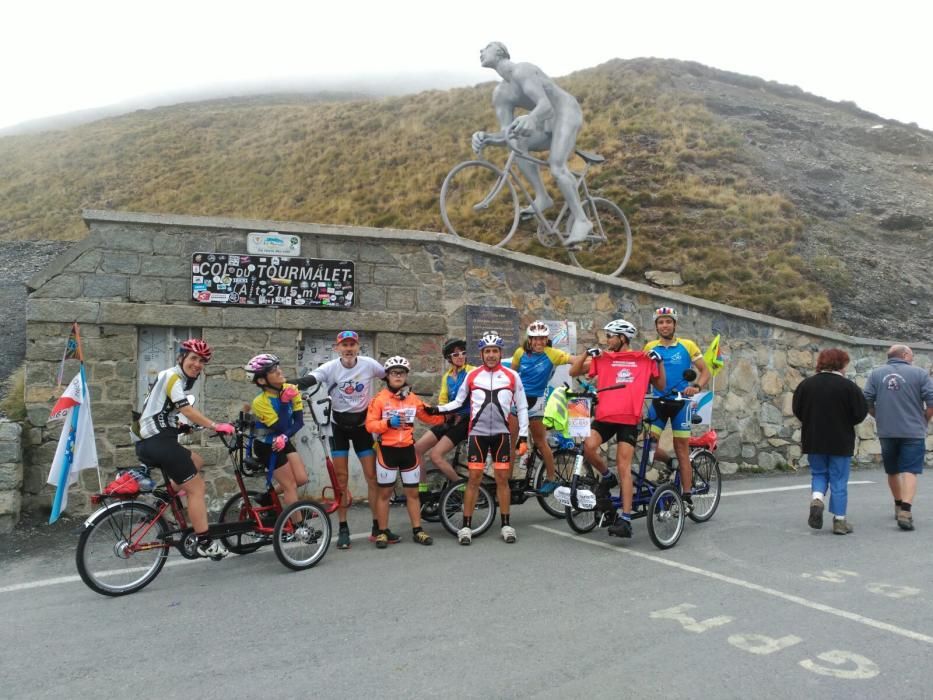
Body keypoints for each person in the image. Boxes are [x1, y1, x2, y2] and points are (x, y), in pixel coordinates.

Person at [472, 41, 592, 245]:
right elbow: (507, 134)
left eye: (486, 47)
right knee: (516, 144)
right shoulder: (500, 93)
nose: (480, 51)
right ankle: (542, 196)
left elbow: (545, 105)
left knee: (556, 167)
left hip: (564, 112)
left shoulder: (522, 71)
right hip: (544, 119)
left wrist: (532, 118)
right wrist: (487, 138)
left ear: (500, 52)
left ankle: (582, 220)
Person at [132, 339, 235, 559]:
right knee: (196, 488)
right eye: (193, 358)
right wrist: (216, 426)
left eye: (202, 361)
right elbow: (186, 409)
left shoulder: (172, 378)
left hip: (151, 441)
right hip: (159, 441)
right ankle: (205, 542)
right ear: (181, 358)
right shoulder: (172, 376)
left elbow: (160, 411)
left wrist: (181, 427)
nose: (197, 364)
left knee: (196, 460)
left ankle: (161, 497)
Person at [428, 331, 529, 545]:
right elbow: (458, 402)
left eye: (495, 351)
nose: (491, 355)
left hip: (501, 435)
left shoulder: (512, 376)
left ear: (500, 353)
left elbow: (521, 407)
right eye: (487, 351)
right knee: (474, 479)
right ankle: (466, 526)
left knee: (502, 479)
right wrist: (437, 409)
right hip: (478, 434)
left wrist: (523, 435)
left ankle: (506, 525)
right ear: (481, 354)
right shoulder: (472, 376)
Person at [569, 320, 665, 538]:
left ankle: (626, 517)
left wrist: (659, 363)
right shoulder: (603, 357)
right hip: (605, 415)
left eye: (611, 336)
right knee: (588, 446)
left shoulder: (641, 359)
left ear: (623, 338)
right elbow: (574, 372)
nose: (607, 340)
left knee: (624, 465)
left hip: (629, 418)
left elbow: (660, 385)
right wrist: (586, 354)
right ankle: (606, 476)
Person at [291, 330, 386, 549]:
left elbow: (389, 377)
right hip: (339, 429)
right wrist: (283, 384)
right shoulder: (330, 367)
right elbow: (309, 379)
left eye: (352, 344)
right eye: (344, 345)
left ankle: (376, 525)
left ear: (358, 347)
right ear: (337, 349)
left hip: (363, 428)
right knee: (340, 480)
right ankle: (343, 528)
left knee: (372, 478)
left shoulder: (369, 364)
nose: (349, 348)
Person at [366, 356, 445, 548]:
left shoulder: (412, 398)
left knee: (413, 493)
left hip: (408, 450)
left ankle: (418, 530)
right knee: (385, 494)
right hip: (387, 451)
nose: (398, 376)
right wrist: (387, 424)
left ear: (406, 376)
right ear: (387, 376)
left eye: (401, 373)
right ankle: (382, 532)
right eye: (394, 373)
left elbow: (429, 417)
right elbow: (370, 426)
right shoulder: (379, 399)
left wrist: (446, 415)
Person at [792, 348, 868, 535]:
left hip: (814, 438)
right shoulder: (849, 387)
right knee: (839, 480)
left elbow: (797, 409)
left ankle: (817, 499)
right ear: (840, 364)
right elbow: (860, 413)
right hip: (841, 441)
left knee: (818, 474)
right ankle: (840, 521)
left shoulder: (806, 385)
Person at [643, 307, 711, 509]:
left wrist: (696, 386)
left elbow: (705, 371)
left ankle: (687, 495)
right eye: (661, 322)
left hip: (682, 403)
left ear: (674, 324)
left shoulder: (687, 345)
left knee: (682, 448)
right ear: (656, 326)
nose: (665, 325)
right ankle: (670, 464)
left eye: (668, 321)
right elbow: (643, 373)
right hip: (659, 402)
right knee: (649, 447)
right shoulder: (650, 347)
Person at [863, 345, 933, 531]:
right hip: (913, 431)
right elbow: (931, 400)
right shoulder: (919, 373)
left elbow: (867, 399)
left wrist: (879, 417)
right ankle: (906, 511)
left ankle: (897, 504)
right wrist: (924, 419)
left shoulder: (876, 374)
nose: (913, 357)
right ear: (904, 355)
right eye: (912, 355)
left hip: (887, 431)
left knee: (892, 470)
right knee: (910, 470)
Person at [510, 321, 573, 494]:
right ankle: (505, 483)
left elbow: (574, 360)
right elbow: (512, 375)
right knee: (511, 443)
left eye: (542, 338)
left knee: (540, 441)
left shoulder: (552, 354)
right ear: (529, 340)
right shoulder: (520, 352)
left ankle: (551, 478)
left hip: (537, 402)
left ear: (547, 339)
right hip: (517, 401)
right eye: (535, 339)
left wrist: (596, 358)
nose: (539, 342)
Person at [245, 354, 311, 517]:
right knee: (290, 485)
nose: (279, 371)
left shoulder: (291, 389)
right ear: (262, 381)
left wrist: (285, 437)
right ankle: (297, 527)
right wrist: (283, 403)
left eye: (278, 367)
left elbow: (298, 422)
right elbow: (281, 426)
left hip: (283, 439)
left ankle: (267, 496)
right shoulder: (260, 402)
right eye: (273, 370)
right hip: (266, 445)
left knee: (301, 479)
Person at [415, 339, 475, 482]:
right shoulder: (446, 377)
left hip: (466, 421)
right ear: (449, 358)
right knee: (416, 450)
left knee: (435, 456)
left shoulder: (472, 372)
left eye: (463, 353)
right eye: (455, 354)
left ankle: (462, 490)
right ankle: (423, 491)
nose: (460, 356)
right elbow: (443, 401)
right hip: (450, 420)